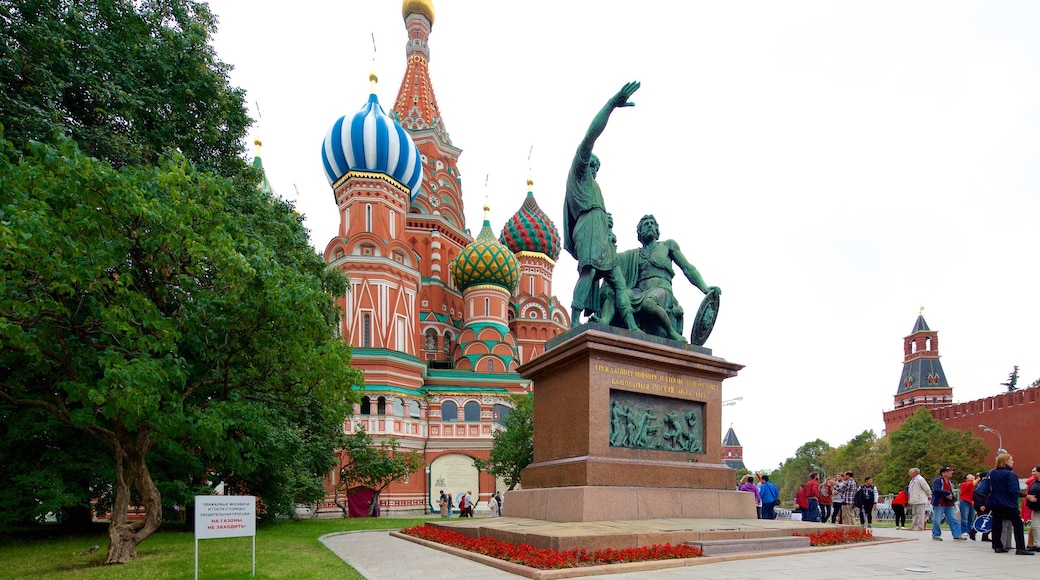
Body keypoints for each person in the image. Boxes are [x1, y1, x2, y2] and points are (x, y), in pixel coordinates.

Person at [563, 81, 641, 330]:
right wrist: (610, 105)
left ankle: (631, 325)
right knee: (589, 272)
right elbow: (591, 136)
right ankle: (574, 321)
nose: (594, 167)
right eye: (592, 163)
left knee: (617, 280)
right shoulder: (579, 172)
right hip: (589, 227)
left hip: (599, 229)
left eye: (596, 165)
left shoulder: (593, 185)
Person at [600, 215, 719, 341]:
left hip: (662, 290)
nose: (650, 225)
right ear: (639, 233)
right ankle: (603, 322)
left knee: (648, 304)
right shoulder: (633, 254)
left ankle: (671, 332)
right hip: (639, 291)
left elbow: (688, 269)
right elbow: (611, 259)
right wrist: (607, 229)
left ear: (657, 231)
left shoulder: (668, 246)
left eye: (652, 223)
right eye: (646, 224)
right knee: (616, 293)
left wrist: (705, 288)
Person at [987, 453, 1033, 555]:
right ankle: (1020, 548)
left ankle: (997, 546)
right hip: (1008, 503)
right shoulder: (1010, 474)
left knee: (997, 523)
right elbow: (1013, 490)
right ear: (1006, 462)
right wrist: (1022, 496)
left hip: (995, 502)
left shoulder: (993, 473)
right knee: (1017, 524)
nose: (1013, 462)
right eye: (1011, 460)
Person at [931, 466, 965, 540]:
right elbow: (936, 490)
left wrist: (952, 498)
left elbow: (951, 492)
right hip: (940, 503)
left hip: (949, 504)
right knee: (937, 520)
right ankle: (936, 535)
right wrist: (946, 493)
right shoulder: (938, 481)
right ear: (943, 473)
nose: (950, 473)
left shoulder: (950, 482)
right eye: (948, 471)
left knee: (953, 519)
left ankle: (957, 535)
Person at [907, 467, 931, 531]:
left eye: (910, 472)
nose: (909, 474)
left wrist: (929, 495)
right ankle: (914, 525)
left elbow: (926, 488)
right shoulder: (912, 480)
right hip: (914, 499)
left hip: (920, 499)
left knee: (920, 513)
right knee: (914, 513)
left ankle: (920, 526)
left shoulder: (920, 479)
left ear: (915, 473)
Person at [958, 473, 976, 540]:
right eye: (970, 476)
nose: (972, 476)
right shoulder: (965, 484)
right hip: (965, 501)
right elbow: (971, 484)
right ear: (966, 479)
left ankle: (970, 531)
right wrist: (979, 478)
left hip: (971, 502)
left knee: (971, 518)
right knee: (964, 517)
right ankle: (963, 531)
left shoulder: (974, 485)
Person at [1026, 466, 1040, 551]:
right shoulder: (1034, 483)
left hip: (1037, 506)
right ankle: (1037, 544)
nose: (1032, 473)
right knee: (1035, 526)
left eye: (1034, 471)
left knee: (1036, 526)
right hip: (1035, 507)